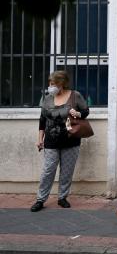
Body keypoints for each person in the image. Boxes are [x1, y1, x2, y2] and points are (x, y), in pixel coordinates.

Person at [31, 70, 90, 212]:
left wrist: (78, 113)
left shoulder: (75, 95)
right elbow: (42, 120)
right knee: (48, 170)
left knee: (67, 171)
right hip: (51, 141)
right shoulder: (47, 99)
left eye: (53, 84)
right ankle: (40, 199)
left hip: (71, 139)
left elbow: (86, 111)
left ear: (61, 83)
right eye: (50, 83)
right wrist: (40, 139)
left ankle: (62, 198)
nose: (50, 86)